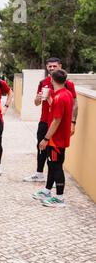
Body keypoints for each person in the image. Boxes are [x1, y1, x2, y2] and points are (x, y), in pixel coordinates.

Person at [23, 57, 78, 182]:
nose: (52, 68)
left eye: (54, 66)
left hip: (57, 122)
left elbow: (75, 104)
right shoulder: (43, 82)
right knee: (41, 146)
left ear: (60, 66)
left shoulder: (67, 84)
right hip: (44, 120)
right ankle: (39, 174)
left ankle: (53, 179)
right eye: (50, 66)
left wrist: (73, 122)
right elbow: (37, 103)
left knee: (54, 152)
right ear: (46, 67)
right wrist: (38, 98)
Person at [32, 69, 73, 207]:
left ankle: (60, 198)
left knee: (56, 167)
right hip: (60, 138)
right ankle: (47, 191)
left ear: (51, 79)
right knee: (53, 165)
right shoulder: (65, 94)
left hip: (56, 139)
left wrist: (45, 138)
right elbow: (57, 109)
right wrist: (49, 99)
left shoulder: (60, 97)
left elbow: (56, 120)